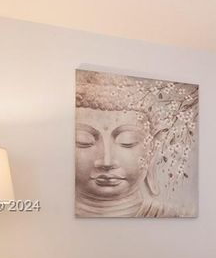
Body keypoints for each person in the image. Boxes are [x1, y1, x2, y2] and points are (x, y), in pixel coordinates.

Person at [74, 71, 197, 218]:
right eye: (84, 141)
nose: (106, 162)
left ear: (151, 148)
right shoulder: (54, 216)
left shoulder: (179, 215)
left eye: (127, 142)